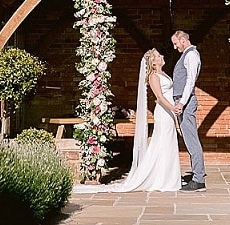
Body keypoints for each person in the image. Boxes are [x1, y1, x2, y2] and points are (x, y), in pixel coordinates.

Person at [72, 48, 181, 193]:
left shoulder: (163, 74)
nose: (161, 56)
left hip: (169, 112)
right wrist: (173, 108)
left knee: (168, 142)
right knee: (162, 142)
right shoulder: (154, 76)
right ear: (153, 62)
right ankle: (160, 178)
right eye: (158, 56)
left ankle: (168, 177)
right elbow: (160, 98)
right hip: (164, 112)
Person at [171, 30, 206, 191]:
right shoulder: (186, 54)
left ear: (183, 40)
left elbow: (190, 81)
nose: (175, 46)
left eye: (176, 43)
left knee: (191, 139)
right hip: (181, 101)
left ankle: (198, 179)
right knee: (189, 139)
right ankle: (197, 176)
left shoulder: (191, 55)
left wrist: (182, 103)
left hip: (185, 102)